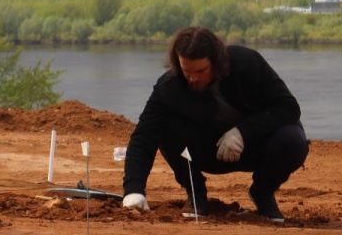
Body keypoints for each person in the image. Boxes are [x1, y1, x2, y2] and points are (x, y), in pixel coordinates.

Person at [121, 26, 308, 222]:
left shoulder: (247, 63)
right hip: (207, 152)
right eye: (186, 71)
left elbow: (289, 107)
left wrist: (243, 132)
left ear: (216, 62)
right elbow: (144, 136)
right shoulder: (169, 86)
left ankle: (263, 193)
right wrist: (133, 189)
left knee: (293, 141)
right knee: (167, 127)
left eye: (201, 70)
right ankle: (196, 195)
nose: (193, 78)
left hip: (257, 147)